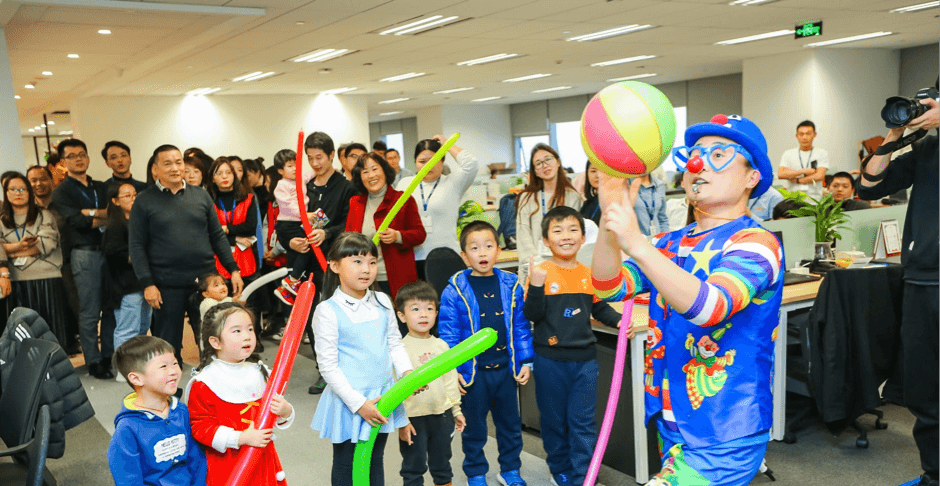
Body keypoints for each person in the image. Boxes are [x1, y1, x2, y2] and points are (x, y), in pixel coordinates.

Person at [592, 114, 782, 485]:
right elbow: (609, 286)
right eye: (694, 154)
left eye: (719, 155)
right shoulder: (669, 243)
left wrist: (638, 243)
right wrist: (609, 218)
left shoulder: (758, 243)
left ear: (752, 177)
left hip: (725, 428)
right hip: (674, 418)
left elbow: (710, 307)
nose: (698, 164)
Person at [857, 91, 939, 486]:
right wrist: (894, 135)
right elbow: (869, 186)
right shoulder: (927, 149)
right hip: (921, 279)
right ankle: (934, 473)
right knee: (925, 390)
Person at [523, 207, 620, 486]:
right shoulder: (540, 273)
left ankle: (584, 476)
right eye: (557, 230)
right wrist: (537, 286)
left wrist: (619, 322)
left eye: (573, 229)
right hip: (549, 361)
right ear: (545, 241)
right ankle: (560, 468)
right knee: (554, 420)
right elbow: (532, 314)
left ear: (583, 237)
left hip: (585, 362)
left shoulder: (588, 274)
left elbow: (599, 308)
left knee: (583, 422)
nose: (566, 236)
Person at [310, 232, 415, 486]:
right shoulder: (327, 311)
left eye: (372, 262)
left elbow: (394, 343)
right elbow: (328, 367)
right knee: (347, 464)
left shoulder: (382, 300)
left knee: (375, 459)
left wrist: (407, 373)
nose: (366, 269)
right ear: (335, 266)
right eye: (357, 261)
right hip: (350, 401)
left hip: (382, 396)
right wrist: (359, 404)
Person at [438, 220, 533, 486]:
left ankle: (510, 469)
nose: (482, 253)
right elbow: (449, 335)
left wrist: (526, 361)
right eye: (474, 248)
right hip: (473, 374)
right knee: (474, 428)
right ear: (464, 255)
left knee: (510, 426)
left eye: (488, 246)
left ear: (498, 251)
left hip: (505, 371)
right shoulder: (454, 290)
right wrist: (453, 370)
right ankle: (475, 472)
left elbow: (521, 327)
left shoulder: (511, 285)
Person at [129, 144, 243, 366]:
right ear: (155, 169)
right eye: (167, 163)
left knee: (212, 337)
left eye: (178, 162)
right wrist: (147, 283)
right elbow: (136, 245)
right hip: (166, 284)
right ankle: (170, 384)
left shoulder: (200, 195)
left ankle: (213, 381)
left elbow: (217, 236)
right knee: (168, 343)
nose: (175, 168)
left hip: (204, 282)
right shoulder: (144, 200)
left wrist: (233, 269)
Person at [186, 302, 294, 486]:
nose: (247, 336)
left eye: (250, 329)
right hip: (229, 463)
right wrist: (241, 438)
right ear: (215, 342)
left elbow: (272, 417)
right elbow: (200, 428)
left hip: (263, 459)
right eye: (237, 331)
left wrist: (286, 411)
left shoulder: (261, 372)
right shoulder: (205, 383)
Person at [108, 335, 207, 486]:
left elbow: (196, 459)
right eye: (163, 367)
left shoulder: (181, 411)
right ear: (136, 379)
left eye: (175, 363)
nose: (174, 371)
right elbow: (128, 479)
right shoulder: (127, 429)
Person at [51, 138, 113, 379]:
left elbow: (114, 215)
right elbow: (77, 222)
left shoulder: (101, 187)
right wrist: (99, 216)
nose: (78, 159)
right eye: (72, 156)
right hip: (85, 254)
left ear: (88, 157)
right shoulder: (62, 192)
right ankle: (94, 361)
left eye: (82, 154)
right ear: (63, 162)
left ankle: (108, 355)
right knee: (90, 311)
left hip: (109, 252)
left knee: (111, 308)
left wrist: (91, 214)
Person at [395, 281, 466, 486]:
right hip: (413, 418)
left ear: (436, 313)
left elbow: (450, 381)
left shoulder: (441, 345)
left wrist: (456, 410)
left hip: (442, 415)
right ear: (402, 315)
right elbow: (394, 389)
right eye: (415, 309)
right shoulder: (399, 349)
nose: (423, 315)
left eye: (429, 309)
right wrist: (401, 421)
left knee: (442, 465)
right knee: (413, 467)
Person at [346, 152, 426, 305]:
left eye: (375, 169)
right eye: (365, 172)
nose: (371, 175)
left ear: (384, 170)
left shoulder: (403, 199)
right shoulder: (355, 203)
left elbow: (420, 234)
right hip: (364, 280)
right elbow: (348, 238)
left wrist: (398, 236)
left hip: (397, 278)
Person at [0, 173, 69, 346]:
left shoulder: (44, 215)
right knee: (24, 338)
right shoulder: (1, 220)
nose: (18, 192)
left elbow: (46, 244)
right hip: (16, 282)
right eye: (13, 189)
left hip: (46, 279)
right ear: (6, 193)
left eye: (22, 189)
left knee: (50, 334)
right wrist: (20, 245)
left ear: (29, 192)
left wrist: (9, 251)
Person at [395, 136, 479, 278]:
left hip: (447, 257)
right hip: (412, 257)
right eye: (422, 161)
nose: (428, 165)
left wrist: (447, 144)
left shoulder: (452, 183)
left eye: (434, 160)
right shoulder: (405, 184)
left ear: (442, 161)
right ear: (415, 162)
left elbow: (471, 164)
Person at [515, 144, 581, 285]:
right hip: (535, 268)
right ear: (535, 171)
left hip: (564, 267)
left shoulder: (572, 196)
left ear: (558, 162)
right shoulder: (526, 198)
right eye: (538, 163)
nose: (544, 165)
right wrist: (538, 264)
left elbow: (574, 234)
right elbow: (523, 235)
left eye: (548, 159)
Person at [102, 182, 152, 365]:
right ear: (115, 201)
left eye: (135, 194)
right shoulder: (115, 226)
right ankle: (123, 369)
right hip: (125, 286)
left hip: (144, 284)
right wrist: (140, 257)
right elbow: (114, 255)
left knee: (142, 328)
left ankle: (137, 365)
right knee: (127, 330)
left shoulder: (140, 222)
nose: (133, 199)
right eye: (127, 195)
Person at [271, 149, 314, 305]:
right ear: (280, 170)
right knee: (306, 247)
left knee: (296, 254)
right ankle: (293, 279)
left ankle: (285, 289)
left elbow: (310, 174)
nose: (295, 168)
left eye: (296, 165)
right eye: (290, 166)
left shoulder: (300, 178)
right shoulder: (281, 185)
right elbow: (288, 206)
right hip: (287, 223)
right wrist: (305, 215)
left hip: (299, 222)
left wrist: (330, 169)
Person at [207, 157, 259, 281]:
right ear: (213, 178)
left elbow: (250, 227)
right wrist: (234, 238)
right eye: (219, 173)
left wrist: (226, 229)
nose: (224, 177)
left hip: (246, 261)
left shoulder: (248, 199)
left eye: (228, 172)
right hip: (218, 263)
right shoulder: (208, 201)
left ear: (234, 176)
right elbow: (208, 233)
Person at [777, 120, 829, 199]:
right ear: (797, 136)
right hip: (793, 200)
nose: (804, 137)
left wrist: (797, 180)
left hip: (814, 200)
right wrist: (805, 171)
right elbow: (781, 174)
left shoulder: (822, 153)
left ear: (814, 134)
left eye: (808, 134)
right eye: (801, 134)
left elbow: (819, 176)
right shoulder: (788, 153)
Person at [628, 170, 670, 236]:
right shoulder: (625, 184)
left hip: (657, 239)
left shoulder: (659, 185)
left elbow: (662, 218)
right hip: (635, 239)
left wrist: (664, 238)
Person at [580, 160, 601, 226]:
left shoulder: (616, 201)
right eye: (593, 171)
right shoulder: (587, 204)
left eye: (602, 171)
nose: (597, 175)